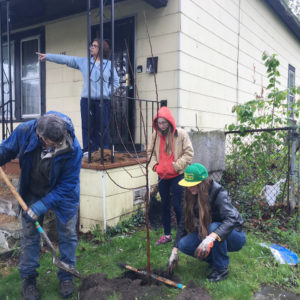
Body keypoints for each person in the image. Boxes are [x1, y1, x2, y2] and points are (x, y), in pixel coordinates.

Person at [0, 112, 82, 300]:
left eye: (59, 142)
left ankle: (66, 276)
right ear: (40, 136)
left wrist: (42, 206)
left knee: (68, 235)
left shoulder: (73, 148)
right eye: (53, 144)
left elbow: (67, 185)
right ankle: (28, 279)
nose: (58, 146)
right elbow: (7, 149)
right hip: (33, 189)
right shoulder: (25, 131)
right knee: (30, 235)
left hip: (64, 194)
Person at [36, 38, 119, 155]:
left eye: (94, 46)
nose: (91, 47)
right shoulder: (84, 62)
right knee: (87, 126)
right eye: (91, 45)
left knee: (103, 127)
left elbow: (116, 81)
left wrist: (107, 92)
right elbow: (67, 59)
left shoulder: (109, 65)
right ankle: (88, 151)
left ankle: (103, 151)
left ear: (101, 49)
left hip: (103, 101)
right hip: (87, 101)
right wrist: (48, 56)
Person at [166, 163, 246, 282]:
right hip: (211, 233)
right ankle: (215, 259)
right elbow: (183, 223)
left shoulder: (218, 193)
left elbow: (231, 219)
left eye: (193, 185)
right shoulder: (190, 195)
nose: (189, 188)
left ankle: (221, 269)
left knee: (214, 227)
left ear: (202, 183)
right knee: (183, 244)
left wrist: (211, 237)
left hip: (234, 235)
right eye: (188, 185)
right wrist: (175, 250)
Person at [148, 106, 194, 246]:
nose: (161, 125)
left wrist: (176, 166)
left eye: (164, 122)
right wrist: (155, 166)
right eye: (159, 123)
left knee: (178, 205)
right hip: (162, 176)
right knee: (165, 205)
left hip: (177, 175)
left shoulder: (181, 134)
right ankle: (167, 235)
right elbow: (150, 152)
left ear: (169, 121)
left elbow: (189, 153)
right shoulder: (155, 135)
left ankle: (182, 235)